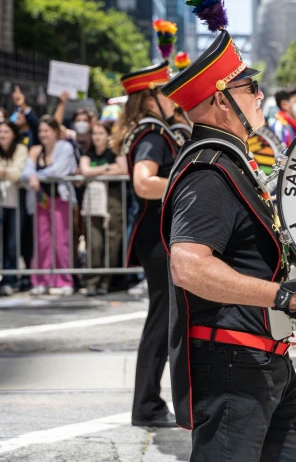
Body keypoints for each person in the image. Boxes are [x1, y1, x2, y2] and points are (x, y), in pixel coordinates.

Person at [161, 0, 296, 460]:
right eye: (249, 88)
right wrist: (280, 295)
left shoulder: (233, 163)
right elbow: (188, 265)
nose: (260, 95)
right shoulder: (210, 171)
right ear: (218, 102)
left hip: (264, 356)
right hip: (233, 361)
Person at [112, 57, 179, 428]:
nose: (173, 97)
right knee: (161, 319)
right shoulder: (152, 135)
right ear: (151, 98)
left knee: (163, 317)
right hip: (157, 236)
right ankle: (147, 406)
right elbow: (143, 182)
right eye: (166, 91)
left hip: (157, 234)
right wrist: (185, 182)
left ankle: (150, 403)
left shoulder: (155, 130)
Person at [22, 115, 78, 296]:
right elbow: (26, 171)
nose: (43, 134)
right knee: (42, 241)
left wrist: (36, 176)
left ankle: (64, 281)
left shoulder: (65, 147)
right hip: (40, 200)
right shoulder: (36, 150)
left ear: (55, 131)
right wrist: (31, 176)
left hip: (60, 199)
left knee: (61, 241)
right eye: (40, 131)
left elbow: (58, 170)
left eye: (46, 130)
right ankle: (40, 280)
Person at [80, 122, 127, 296]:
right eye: (94, 133)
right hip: (93, 199)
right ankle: (92, 281)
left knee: (111, 242)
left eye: (101, 133)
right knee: (94, 242)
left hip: (113, 197)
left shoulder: (115, 150)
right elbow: (84, 170)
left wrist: (96, 171)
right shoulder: (88, 152)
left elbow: (124, 169)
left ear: (108, 135)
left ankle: (105, 282)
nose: (97, 137)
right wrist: (107, 168)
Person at [0, 121, 28, 294]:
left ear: (13, 134)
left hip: (16, 202)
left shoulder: (21, 149)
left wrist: (3, 171)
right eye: (0, 132)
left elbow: (18, 172)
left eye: (6, 131)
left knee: (13, 242)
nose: (2, 135)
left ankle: (11, 278)